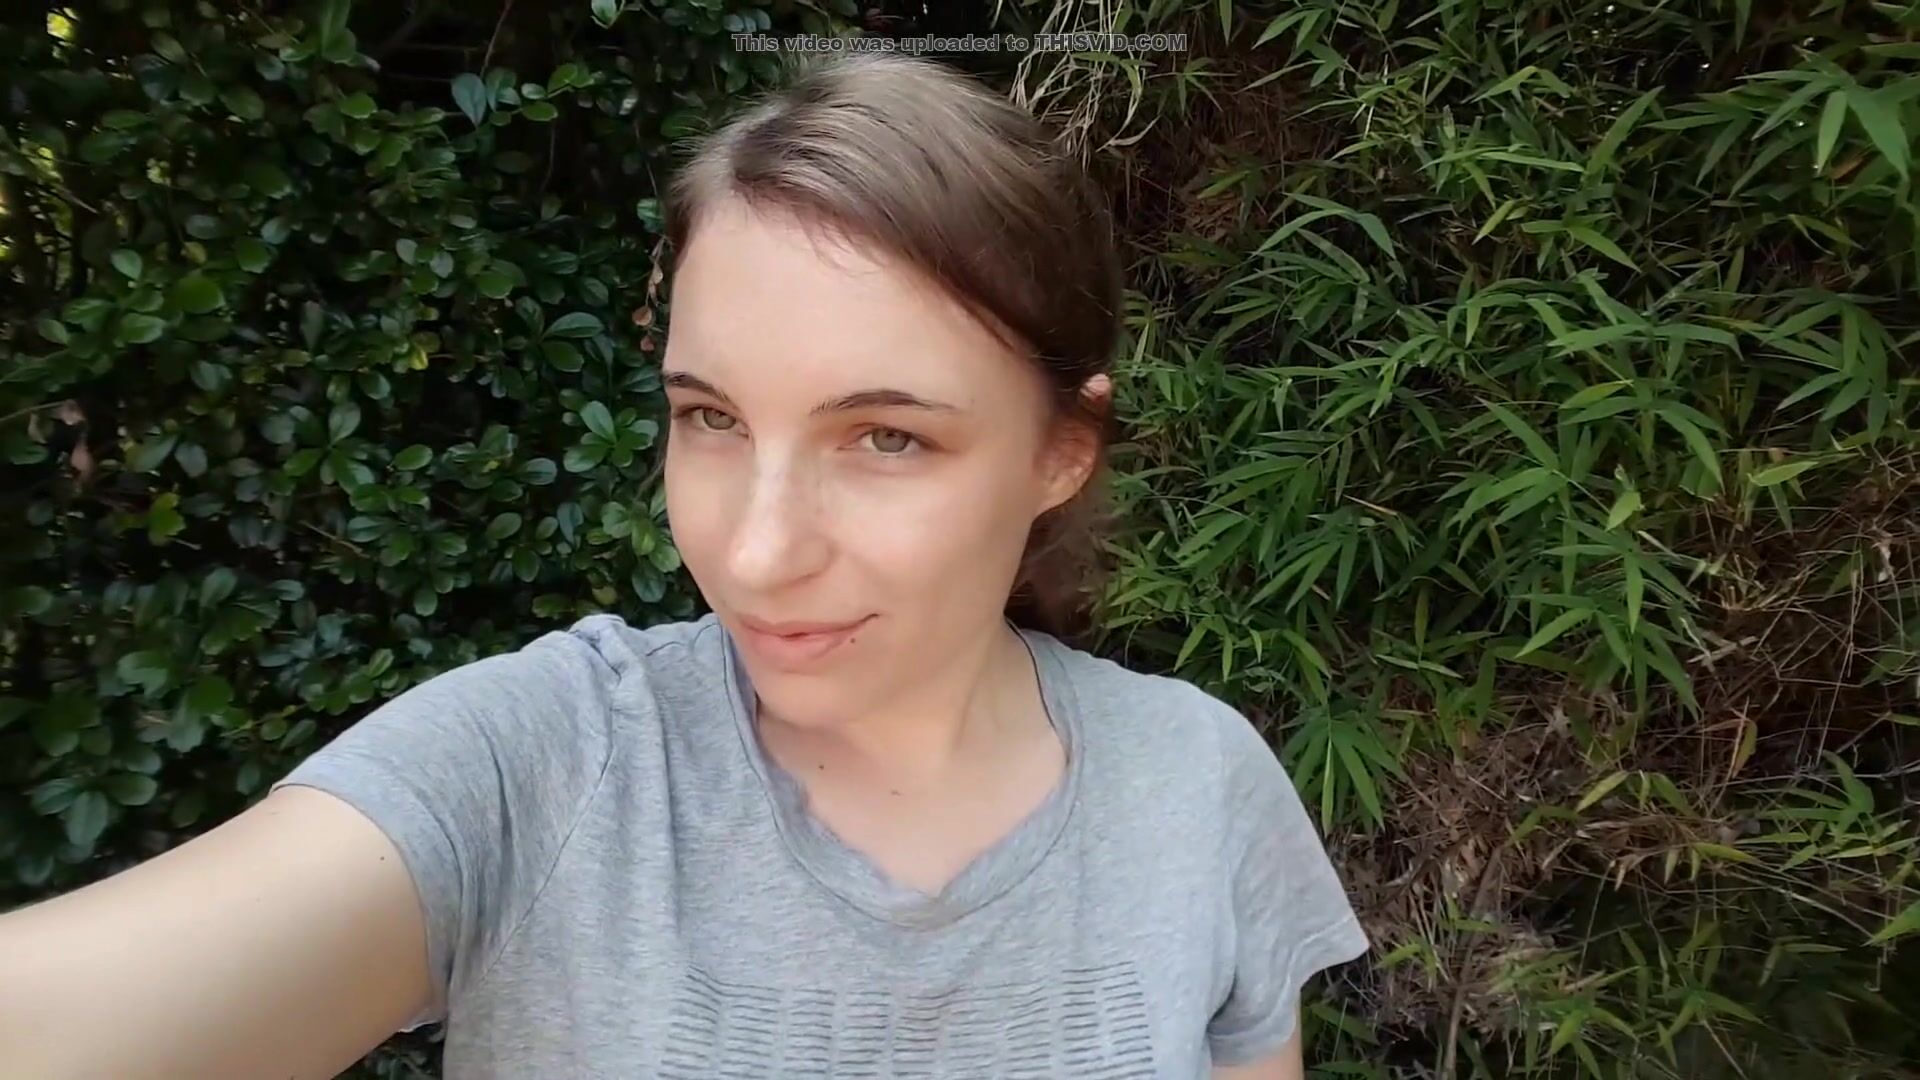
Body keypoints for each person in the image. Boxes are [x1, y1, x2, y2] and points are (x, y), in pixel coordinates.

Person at [0, 53, 1367, 1079]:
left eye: (886, 437)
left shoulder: (1197, 788)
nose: (755, 552)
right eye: (710, 418)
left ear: (1062, 449)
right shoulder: (548, 767)